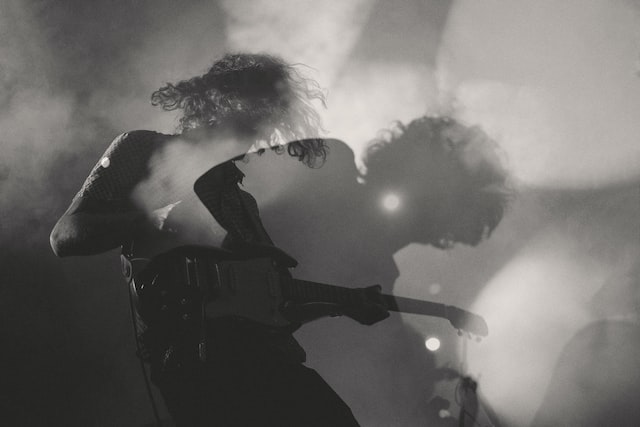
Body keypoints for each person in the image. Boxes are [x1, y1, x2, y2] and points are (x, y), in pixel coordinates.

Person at [50, 52, 388, 427]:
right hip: (200, 364)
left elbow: (274, 306)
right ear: (220, 104)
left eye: (267, 124)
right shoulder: (142, 149)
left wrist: (344, 304)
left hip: (273, 362)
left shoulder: (242, 201)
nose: (259, 135)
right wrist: (156, 219)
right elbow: (64, 236)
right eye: (253, 119)